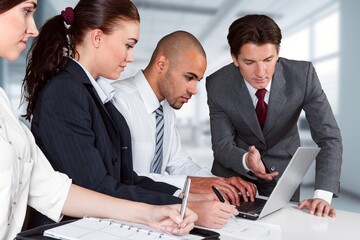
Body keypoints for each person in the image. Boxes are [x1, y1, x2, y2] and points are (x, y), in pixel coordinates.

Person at [22, 0, 236, 229]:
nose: (131, 57)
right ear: (97, 38)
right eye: (128, 45)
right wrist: (183, 208)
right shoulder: (65, 91)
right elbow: (95, 187)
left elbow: (126, 178)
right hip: (67, 229)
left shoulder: (96, 95)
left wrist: (187, 199)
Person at [206, 14, 342, 218]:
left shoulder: (303, 76)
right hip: (235, 177)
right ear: (235, 58)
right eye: (249, 62)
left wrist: (322, 195)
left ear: (278, 53)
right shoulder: (218, 84)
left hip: (283, 176)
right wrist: (246, 161)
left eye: (268, 60)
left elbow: (328, 137)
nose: (261, 72)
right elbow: (222, 144)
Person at [111, 30, 256, 208]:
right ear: (162, 64)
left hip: (156, 207)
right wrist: (191, 183)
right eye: (189, 77)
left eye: (198, 81)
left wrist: (220, 182)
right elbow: (124, 176)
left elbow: (178, 163)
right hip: (126, 209)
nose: (194, 90)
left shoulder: (165, 109)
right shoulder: (117, 101)